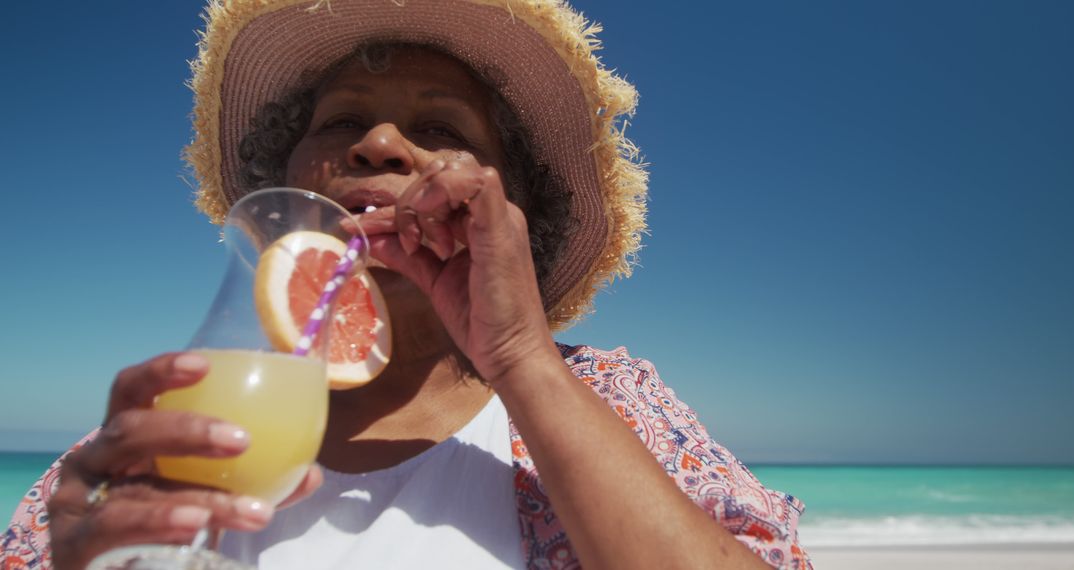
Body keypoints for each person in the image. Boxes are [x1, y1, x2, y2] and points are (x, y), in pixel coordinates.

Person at [3, 0, 811, 568]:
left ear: (511, 203)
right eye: (342, 123)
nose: (381, 145)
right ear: (282, 176)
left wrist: (522, 357)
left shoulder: (606, 397)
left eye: (439, 130)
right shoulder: (169, 432)